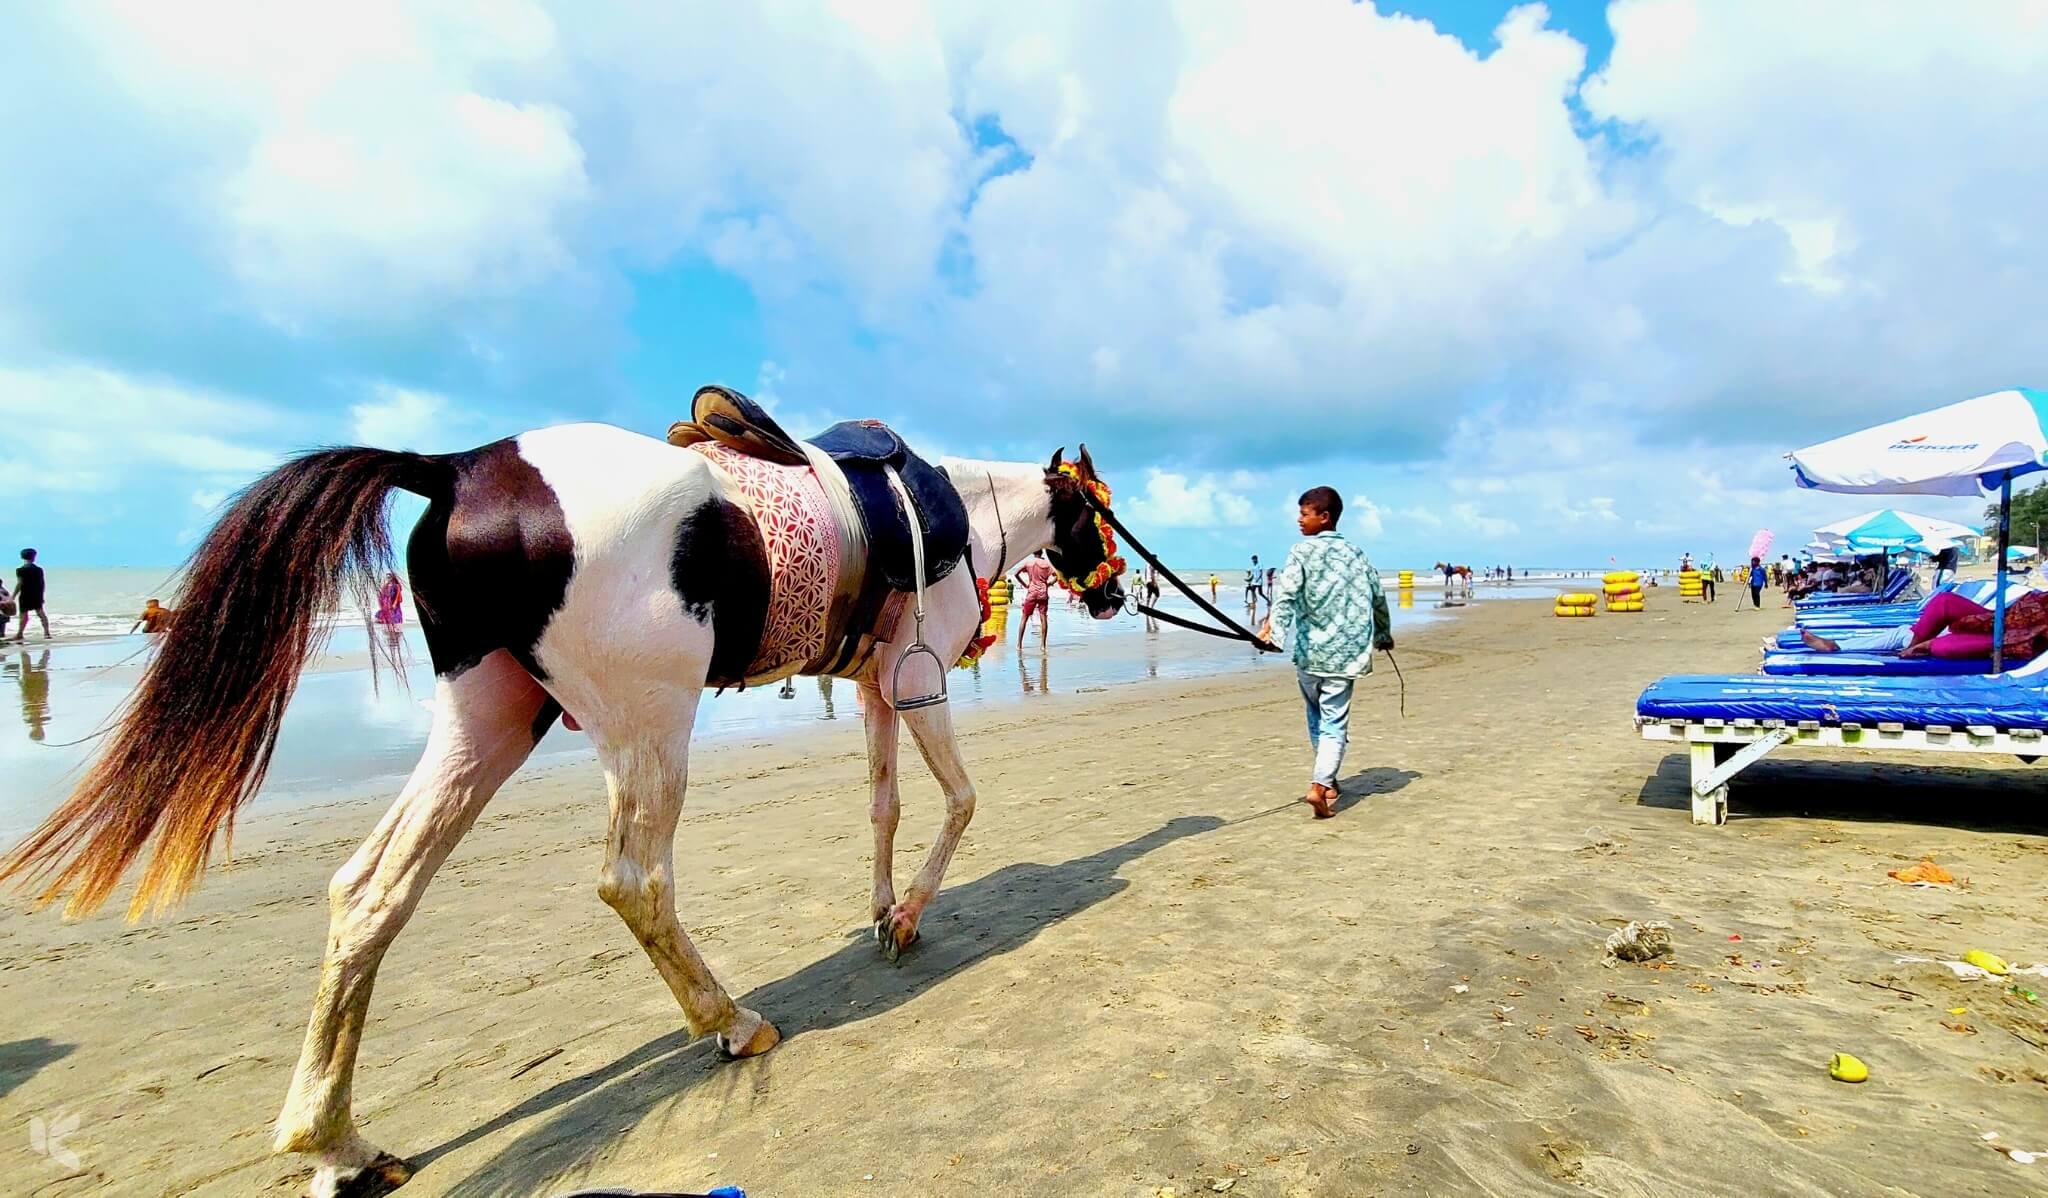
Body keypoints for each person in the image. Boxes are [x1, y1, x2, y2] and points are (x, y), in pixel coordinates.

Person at [1261, 487, 1393, 820]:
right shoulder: (1356, 554)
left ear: (1325, 517)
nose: (1298, 519)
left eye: (1304, 514)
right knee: (1333, 722)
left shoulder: (1301, 552)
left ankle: (1326, 782)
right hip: (1345, 656)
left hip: (1310, 653)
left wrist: (1274, 635)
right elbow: (1378, 597)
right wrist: (1384, 635)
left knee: (1318, 718)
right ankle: (1321, 786)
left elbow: (1286, 596)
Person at [1801, 588, 2048, 662]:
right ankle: (1914, 639)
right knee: (1943, 602)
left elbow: (2026, 636)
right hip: (2004, 623)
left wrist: (1929, 643)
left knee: (1940, 646)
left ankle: (1838, 646)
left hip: (2019, 637)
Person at [1013, 550, 1055, 649]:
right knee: (1043, 617)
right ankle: (1043, 645)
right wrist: (1049, 584)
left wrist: (1025, 585)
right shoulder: (1047, 564)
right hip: (1042, 593)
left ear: (1033, 553)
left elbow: (1016, 574)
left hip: (1031, 592)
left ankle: (1019, 644)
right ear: (1042, 554)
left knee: (1024, 617)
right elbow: (1057, 576)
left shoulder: (1029, 563)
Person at [12, 549, 48, 642]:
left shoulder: (20, 570)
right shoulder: (39, 570)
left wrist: (13, 596)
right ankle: (47, 633)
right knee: (41, 613)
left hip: (25, 594)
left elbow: (19, 584)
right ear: (34, 557)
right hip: (36, 594)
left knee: (23, 615)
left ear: (22, 557)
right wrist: (42, 595)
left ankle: (20, 634)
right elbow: (42, 583)